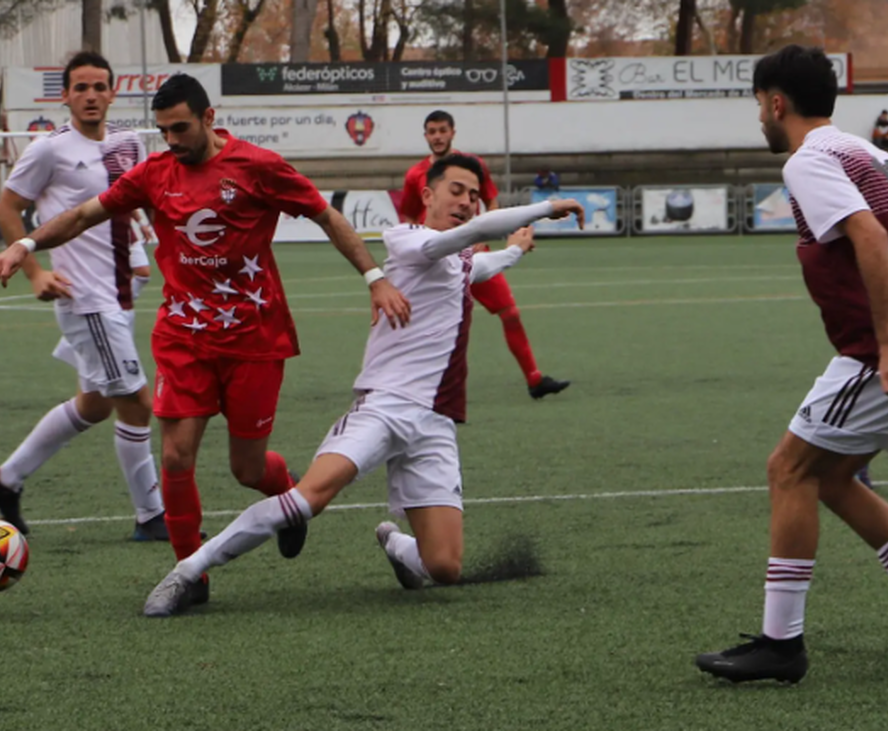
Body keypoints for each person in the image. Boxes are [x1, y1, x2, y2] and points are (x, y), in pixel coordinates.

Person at [0, 74, 412, 602]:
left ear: (209, 119)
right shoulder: (155, 172)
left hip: (254, 339)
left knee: (247, 468)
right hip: (184, 337)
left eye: (181, 128)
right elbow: (82, 214)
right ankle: (190, 576)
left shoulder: (257, 167)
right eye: (164, 130)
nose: (171, 140)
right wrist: (25, 244)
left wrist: (375, 279)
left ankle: (285, 499)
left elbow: (324, 214)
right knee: (175, 456)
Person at [141, 155, 585, 617]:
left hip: (434, 422)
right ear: (427, 195)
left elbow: (478, 264)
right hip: (385, 407)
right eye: (456, 190)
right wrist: (543, 207)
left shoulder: (456, 260)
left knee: (445, 567)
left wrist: (514, 251)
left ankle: (394, 543)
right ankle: (186, 572)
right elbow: (470, 236)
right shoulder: (409, 240)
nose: (467, 201)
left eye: (474, 195)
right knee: (307, 500)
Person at [695, 45, 888, 685]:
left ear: (776, 103)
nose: (760, 119)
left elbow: (872, 236)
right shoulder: (870, 154)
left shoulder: (809, 161)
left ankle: (781, 645)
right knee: (830, 477)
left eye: (758, 106)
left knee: (789, 469)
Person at [0, 52, 168, 541]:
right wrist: (35, 273)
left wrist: (142, 250)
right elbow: (8, 207)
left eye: (98, 86)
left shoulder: (128, 143)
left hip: (120, 294)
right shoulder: (49, 150)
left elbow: (133, 202)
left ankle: (6, 480)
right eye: (80, 87)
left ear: (112, 92)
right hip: (87, 300)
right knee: (136, 403)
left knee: (95, 405)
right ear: (64, 95)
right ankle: (151, 517)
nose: (90, 95)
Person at [398, 110, 571, 400]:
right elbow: (406, 214)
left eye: (442, 130)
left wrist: (483, 235)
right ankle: (408, 385)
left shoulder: (473, 165)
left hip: (473, 254)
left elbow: (491, 200)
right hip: (436, 261)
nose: (437, 136)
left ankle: (534, 379)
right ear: (425, 136)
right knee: (423, 324)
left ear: (453, 132)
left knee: (509, 312)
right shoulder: (416, 175)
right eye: (432, 131)